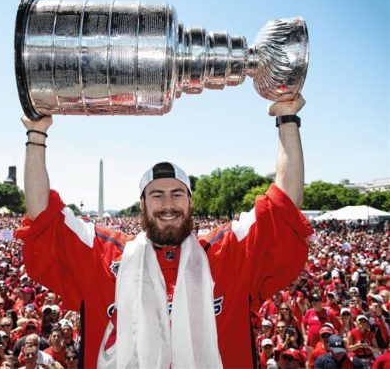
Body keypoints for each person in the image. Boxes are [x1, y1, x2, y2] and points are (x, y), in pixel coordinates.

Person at [16, 96, 313, 368]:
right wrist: (37, 134)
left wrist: (287, 118)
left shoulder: (228, 252)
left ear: (191, 201)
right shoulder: (104, 255)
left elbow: (284, 206)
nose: (167, 205)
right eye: (157, 195)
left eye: (177, 194)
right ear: (142, 204)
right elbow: (42, 217)